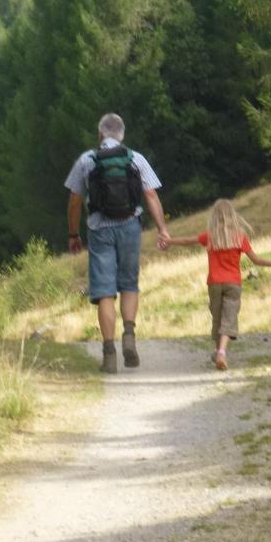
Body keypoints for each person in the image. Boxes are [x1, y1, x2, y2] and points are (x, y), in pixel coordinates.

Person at [65, 113, 170, 374]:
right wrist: (162, 229)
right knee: (129, 284)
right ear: (122, 134)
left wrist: (73, 234)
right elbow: (150, 195)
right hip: (130, 228)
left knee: (104, 292)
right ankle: (130, 337)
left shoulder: (86, 161)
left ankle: (109, 353)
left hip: (100, 230)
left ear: (100, 134)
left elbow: (75, 201)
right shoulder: (135, 158)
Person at [160, 199, 271, 371]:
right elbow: (255, 259)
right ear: (232, 216)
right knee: (229, 318)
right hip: (233, 283)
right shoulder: (239, 237)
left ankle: (217, 350)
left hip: (214, 283)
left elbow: (187, 241)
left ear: (214, 217)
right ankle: (221, 352)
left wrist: (169, 241)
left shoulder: (210, 236)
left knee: (217, 317)